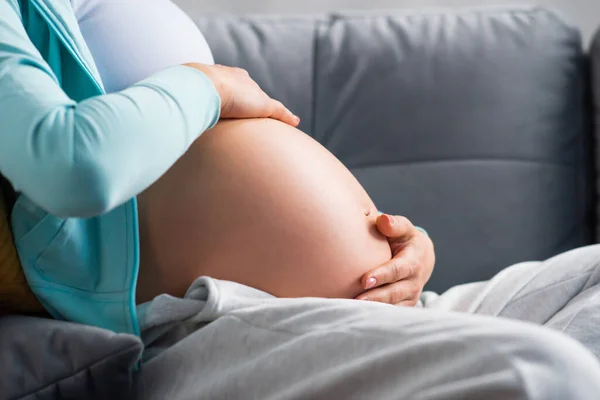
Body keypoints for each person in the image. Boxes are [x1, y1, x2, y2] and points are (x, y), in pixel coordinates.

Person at [2, 0, 600, 398]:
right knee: (540, 374)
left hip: (386, 313)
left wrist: (394, 248)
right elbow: (72, 164)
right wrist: (206, 84)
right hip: (210, 323)